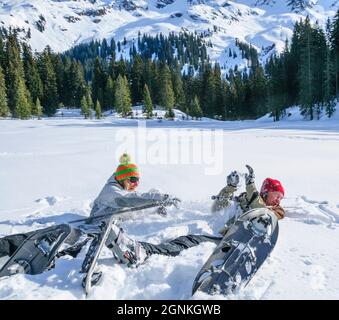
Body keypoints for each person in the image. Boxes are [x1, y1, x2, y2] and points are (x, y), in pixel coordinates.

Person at [108, 165, 285, 267]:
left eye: (281, 197)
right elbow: (219, 206)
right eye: (277, 195)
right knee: (187, 240)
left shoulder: (275, 212)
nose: (279, 199)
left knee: (190, 242)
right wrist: (230, 188)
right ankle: (141, 249)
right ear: (266, 192)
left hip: (239, 245)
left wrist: (251, 186)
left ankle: (142, 250)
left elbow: (259, 210)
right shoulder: (247, 198)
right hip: (224, 238)